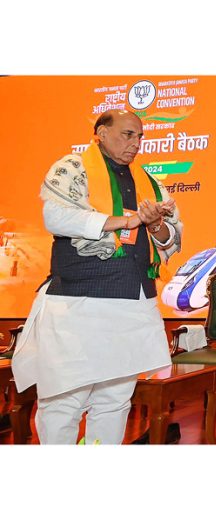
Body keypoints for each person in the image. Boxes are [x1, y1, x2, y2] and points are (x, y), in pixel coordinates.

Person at [11, 110, 183, 444]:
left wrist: (155, 224)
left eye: (139, 137)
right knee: (64, 398)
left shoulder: (149, 182)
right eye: (127, 134)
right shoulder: (72, 168)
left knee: (115, 400)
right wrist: (124, 221)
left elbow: (171, 240)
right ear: (101, 133)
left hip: (131, 304)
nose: (135, 143)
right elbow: (56, 217)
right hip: (77, 302)